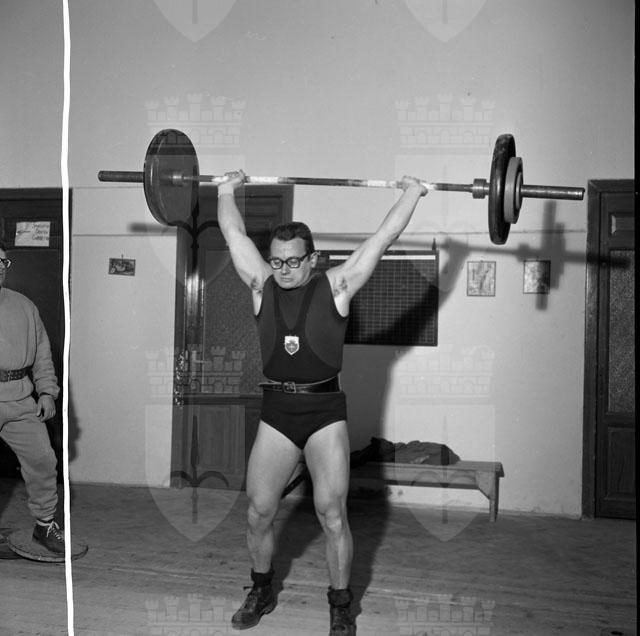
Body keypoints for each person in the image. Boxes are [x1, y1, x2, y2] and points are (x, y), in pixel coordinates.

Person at [216, 172, 427, 635]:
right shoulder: (261, 284)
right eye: (276, 261)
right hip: (277, 412)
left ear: (313, 258)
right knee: (258, 511)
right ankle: (261, 589)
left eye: (293, 261)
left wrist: (412, 192)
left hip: (324, 412)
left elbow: (383, 237)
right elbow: (233, 234)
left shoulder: (337, 286)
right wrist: (226, 189)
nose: (283, 270)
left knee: (331, 514)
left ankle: (340, 605)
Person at [0, 241, 63, 554]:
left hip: (21, 398)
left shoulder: (24, 306)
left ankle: (45, 525)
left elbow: (42, 354)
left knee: (43, 459)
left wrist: (47, 392)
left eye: (2, 262)